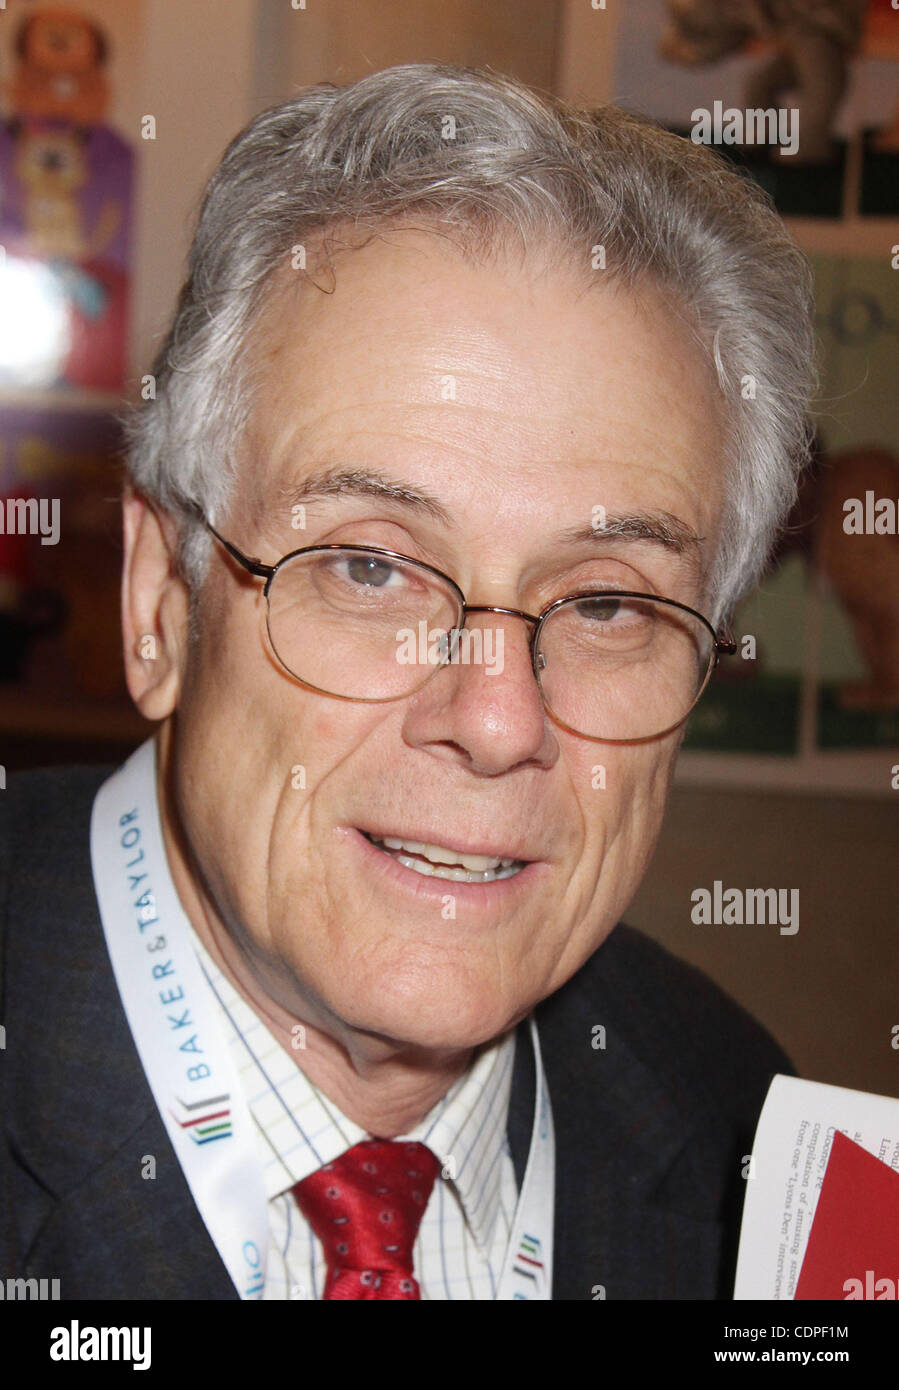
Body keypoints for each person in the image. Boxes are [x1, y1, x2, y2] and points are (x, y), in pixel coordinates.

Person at [0, 62, 817, 1300]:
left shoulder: (753, 1154)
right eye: (373, 568)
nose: (496, 720)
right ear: (162, 599)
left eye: (602, 602)